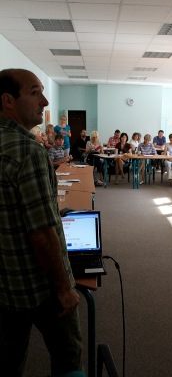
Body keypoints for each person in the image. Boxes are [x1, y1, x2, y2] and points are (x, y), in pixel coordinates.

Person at [0, 68, 82, 376]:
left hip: (5, 284)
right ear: (8, 100)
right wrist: (64, 288)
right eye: (35, 92)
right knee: (68, 359)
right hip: (40, 286)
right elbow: (42, 233)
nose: (45, 101)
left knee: (8, 361)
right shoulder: (28, 150)